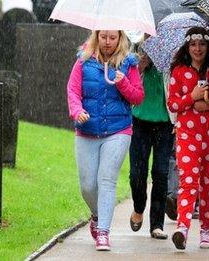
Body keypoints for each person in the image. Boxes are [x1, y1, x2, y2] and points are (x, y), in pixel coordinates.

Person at [67, 30, 144, 251]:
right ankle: (97, 214)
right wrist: (77, 110)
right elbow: (73, 90)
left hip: (118, 130)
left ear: (120, 38)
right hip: (87, 130)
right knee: (88, 186)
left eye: (112, 38)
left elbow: (138, 97)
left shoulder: (129, 63)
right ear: (96, 37)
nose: (108, 42)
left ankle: (103, 232)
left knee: (107, 181)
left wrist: (124, 84)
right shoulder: (83, 60)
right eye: (103, 37)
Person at [167, 26, 209, 250]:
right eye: (193, 44)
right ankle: (182, 228)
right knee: (188, 181)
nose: (197, 49)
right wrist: (192, 98)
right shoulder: (178, 71)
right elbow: (173, 104)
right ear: (187, 46)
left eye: (202, 44)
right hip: (187, 133)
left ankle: (206, 230)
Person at [128, 46, 175, 240]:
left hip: (165, 123)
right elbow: (126, 85)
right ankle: (138, 208)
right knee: (137, 173)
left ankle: (156, 224)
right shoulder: (135, 53)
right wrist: (140, 66)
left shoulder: (174, 54)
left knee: (161, 173)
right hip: (139, 120)